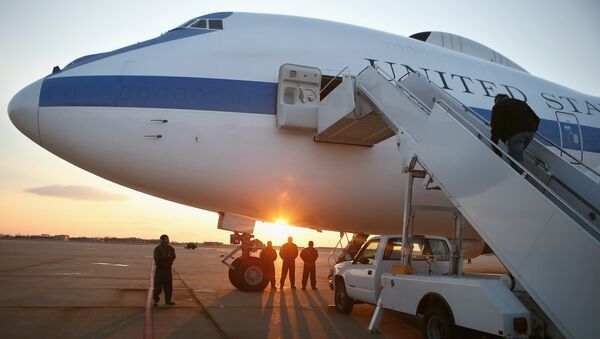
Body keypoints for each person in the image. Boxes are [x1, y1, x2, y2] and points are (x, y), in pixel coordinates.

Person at [491, 94, 540, 173]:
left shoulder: (499, 106)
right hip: (529, 134)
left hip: (515, 134)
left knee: (516, 159)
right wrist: (532, 129)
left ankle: (520, 178)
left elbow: (497, 125)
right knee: (517, 155)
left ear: (498, 100)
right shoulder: (522, 103)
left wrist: (494, 141)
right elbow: (536, 118)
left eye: (495, 101)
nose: (495, 103)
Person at [153, 234, 176, 306]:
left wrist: (170, 258)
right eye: (165, 239)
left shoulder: (171, 248)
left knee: (168, 286)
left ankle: (168, 301)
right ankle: (155, 300)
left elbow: (173, 257)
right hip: (160, 270)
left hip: (168, 269)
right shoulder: (157, 249)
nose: (167, 240)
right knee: (158, 287)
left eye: (167, 239)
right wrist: (166, 256)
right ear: (162, 240)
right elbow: (156, 258)